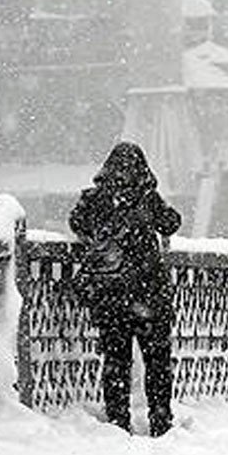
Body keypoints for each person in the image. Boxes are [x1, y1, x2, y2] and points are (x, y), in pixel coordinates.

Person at [69, 141, 183, 436]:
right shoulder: (147, 198)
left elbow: (76, 223)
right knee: (157, 362)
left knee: (116, 363)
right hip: (148, 295)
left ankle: (118, 422)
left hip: (110, 296)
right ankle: (160, 420)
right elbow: (171, 223)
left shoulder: (96, 199)